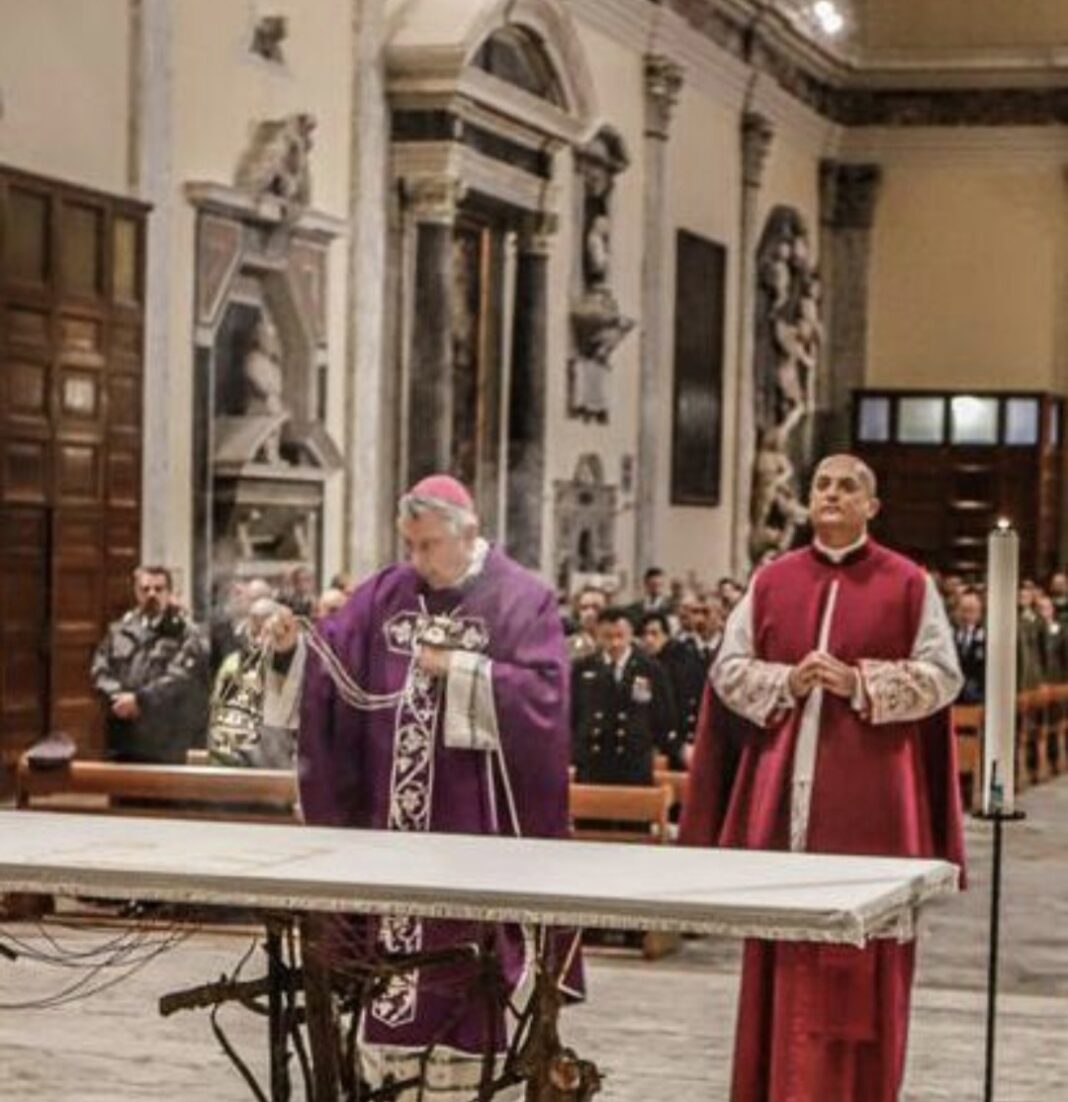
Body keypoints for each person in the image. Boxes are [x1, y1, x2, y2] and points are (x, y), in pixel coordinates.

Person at [268, 474, 577, 1099]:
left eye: (428, 544)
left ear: (466, 532)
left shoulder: (522, 599)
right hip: (395, 850)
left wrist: (462, 670)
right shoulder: (386, 593)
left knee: (467, 1010)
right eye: (409, 544)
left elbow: (545, 700)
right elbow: (330, 665)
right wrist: (288, 650)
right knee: (391, 1026)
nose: (416, 559)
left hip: (475, 844)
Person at [681, 454, 965, 1102]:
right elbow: (727, 670)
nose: (832, 495)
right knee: (781, 953)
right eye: (823, 486)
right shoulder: (773, 579)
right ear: (809, 501)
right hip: (787, 798)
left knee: (865, 956)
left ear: (872, 506)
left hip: (875, 798)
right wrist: (788, 679)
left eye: (848, 487)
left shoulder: (907, 583)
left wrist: (859, 681)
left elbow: (943, 676)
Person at [90, 566, 210, 764]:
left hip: (165, 738)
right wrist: (118, 696)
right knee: (123, 793)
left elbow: (179, 678)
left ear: (169, 593)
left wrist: (140, 700)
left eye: (158, 589)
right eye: (145, 589)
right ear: (136, 592)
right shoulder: (119, 631)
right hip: (124, 736)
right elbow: (100, 669)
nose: (151, 594)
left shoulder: (185, 633)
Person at [572, 607, 676, 784]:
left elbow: (664, 715)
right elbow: (574, 714)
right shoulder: (583, 668)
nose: (615, 643)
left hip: (634, 762)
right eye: (607, 637)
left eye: (620, 636)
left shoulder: (650, 669)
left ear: (631, 635)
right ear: (597, 635)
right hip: (593, 761)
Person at [953, 587, 986, 704]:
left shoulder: (987, 636)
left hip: (978, 696)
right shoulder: (951, 634)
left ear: (980, 612)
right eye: (963, 610)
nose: (966, 615)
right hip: (954, 695)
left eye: (971, 610)